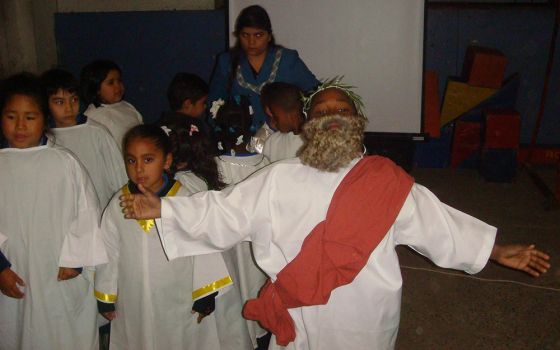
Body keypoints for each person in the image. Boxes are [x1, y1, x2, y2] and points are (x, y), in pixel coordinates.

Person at [120, 79, 551, 350]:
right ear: (308, 124)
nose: (331, 116)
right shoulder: (278, 178)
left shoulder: (384, 180)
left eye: (341, 110)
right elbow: (221, 211)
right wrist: (163, 206)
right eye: (321, 111)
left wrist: (494, 249)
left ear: (358, 121)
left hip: (365, 320)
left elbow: (440, 225)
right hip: (300, 316)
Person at [94, 124, 252, 350]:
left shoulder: (184, 200)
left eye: (148, 160)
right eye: (131, 160)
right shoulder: (119, 204)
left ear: (167, 161)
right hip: (133, 299)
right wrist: (106, 295)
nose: (139, 169)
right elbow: (109, 249)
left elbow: (203, 247)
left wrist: (205, 293)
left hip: (179, 298)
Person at [0, 73, 107, 350]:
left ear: (44, 119)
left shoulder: (64, 163)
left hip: (60, 271)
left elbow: (87, 212)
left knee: (62, 335)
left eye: (30, 117)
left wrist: (77, 259)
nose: (20, 126)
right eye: (12, 117)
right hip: (12, 273)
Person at [208, 5, 318, 142]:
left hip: (285, 139)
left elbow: (315, 93)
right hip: (240, 141)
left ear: (269, 36)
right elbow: (214, 104)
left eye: (258, 35)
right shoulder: (226, 62)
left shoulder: (287, 60)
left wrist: (300, 122)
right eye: (245, 35)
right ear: (238, 36)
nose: (251, 42)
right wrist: (223, 133)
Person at [212, 100, 270, 348]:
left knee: (237, 291)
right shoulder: (265, 163)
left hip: (230, 246)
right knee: (252, 282)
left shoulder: (213, 166)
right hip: (254, 245)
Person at [41, 68, 127, 208]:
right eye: (59, 102)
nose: (69, 108)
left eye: (73, 100)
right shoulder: (45, 139)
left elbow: (119, 178)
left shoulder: (96, 133)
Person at [81, 60, 143, 149]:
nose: (118, 86)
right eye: (111, 83)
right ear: (97, 88)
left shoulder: (127, 106)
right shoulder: (92, 116)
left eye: (119, 81)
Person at [260, 82, 305, 162]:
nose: (272, 122)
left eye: (275, 117)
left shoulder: (316, 140)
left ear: (292, 115)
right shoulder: (272, 143)